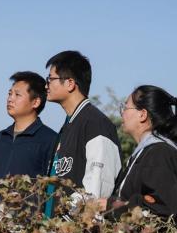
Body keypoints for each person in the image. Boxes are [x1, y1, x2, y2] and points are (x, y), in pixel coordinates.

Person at [98, 86, 177, 231]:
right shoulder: (147, 153)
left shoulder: (160, 153)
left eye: (125, 107)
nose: (122, 113)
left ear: (142, 114)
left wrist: (112, 206)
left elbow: (160, 210)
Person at [43, 51, 121, 217]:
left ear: (70, 83)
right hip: (55, 228)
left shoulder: (96, 124)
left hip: (77, 229)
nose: (46, 85)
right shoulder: (69, 124)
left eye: (50, 79)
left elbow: (96, 189)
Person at [0, 71, 57, 183]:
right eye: (10, 93)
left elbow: (52, 184)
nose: (10, 99)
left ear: (35, 102)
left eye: (17, 95)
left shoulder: (50, 140)